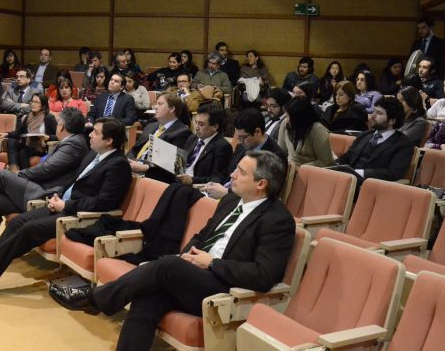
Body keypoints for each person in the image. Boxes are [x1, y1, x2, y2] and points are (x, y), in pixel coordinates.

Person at [48, 150, 296, 351]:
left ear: (261, 184)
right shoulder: (231, 201)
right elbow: (202, 236)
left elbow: (264, 275)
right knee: (146, 300)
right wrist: (186, 256)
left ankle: (95, 298)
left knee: (166, 265)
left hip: (225, 289)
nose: (232, 174)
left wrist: (211, 263)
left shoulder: (278, 220)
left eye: (240, 172)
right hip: (194, 276)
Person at [0, 118, 132, 298]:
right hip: (61, 205)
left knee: (28, 228)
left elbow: (104, 203)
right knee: (18, 221)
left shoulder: (118, 164)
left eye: (96, 133)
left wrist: (66, 204)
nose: (90, 135)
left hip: (80, 217)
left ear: (109, 140)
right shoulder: (93, 155)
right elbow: (74, 183)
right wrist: (59, 197)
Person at [0, 107, 90, 262]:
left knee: (3, 176)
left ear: (62, 126)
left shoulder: (74, 144)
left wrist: (19, 175)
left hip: (46, 194)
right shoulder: (72, 142)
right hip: (40, 187)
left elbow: (46, 169)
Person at [202, 108, 288, 200]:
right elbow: (228, 172)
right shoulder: (243, 145)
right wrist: (214, 184)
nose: (239, 141)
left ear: (257, 132)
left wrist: (227, 193)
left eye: (242, 137)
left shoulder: (276, 156)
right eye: (237, 137)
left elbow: (264, 193)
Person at [332, 97, 415, 189]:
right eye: (374, 111)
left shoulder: (403, 144)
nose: (372, 115)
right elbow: (347, 157)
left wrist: (357, 172)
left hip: (371, 187)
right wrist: (336, 165)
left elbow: (393, 173)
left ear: (392, 121)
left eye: (379, 113)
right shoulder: (365, 135)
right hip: (346, 180)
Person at [127, 93, 192, 184]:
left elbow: (176, 167)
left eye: (160, 104)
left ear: (172, 108)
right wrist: (127, 161)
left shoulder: (182, 132)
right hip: (133, 170)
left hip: (153, 178)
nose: (156, 107)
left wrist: (145, 168)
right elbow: (135, 149)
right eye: (156, 104)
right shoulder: (150, 126)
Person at [0, 93, 57, 171]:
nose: (33, 104)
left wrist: (47, 137)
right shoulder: (29, 116)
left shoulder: (49, 118)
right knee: (11, 141)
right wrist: (6, 134)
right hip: (28, 145)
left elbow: (58, 136)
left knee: (22, 153)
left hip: (41, 148)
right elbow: (18, 132)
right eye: (32, 102)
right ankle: (14, 169)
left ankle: (22, 175)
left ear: (43, 106)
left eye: (36, 102)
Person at [177, 103, 232, 185]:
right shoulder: (192, 138)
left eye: (201, 124)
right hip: (179, 179)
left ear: (215, 126)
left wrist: (192, 180)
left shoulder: (222, 146)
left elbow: (217, 178)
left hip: (196, 186)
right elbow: (180, 162)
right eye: (196, 122)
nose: (196, 127)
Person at [277, 98, 333, 167]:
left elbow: (326, 162)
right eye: (287, 116)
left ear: (300, 119)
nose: (287, 120)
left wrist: (301, 168)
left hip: (310, 170)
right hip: (289, 167)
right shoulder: (285, 124)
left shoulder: (318, 130)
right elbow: (281, 152)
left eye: (289, 117)